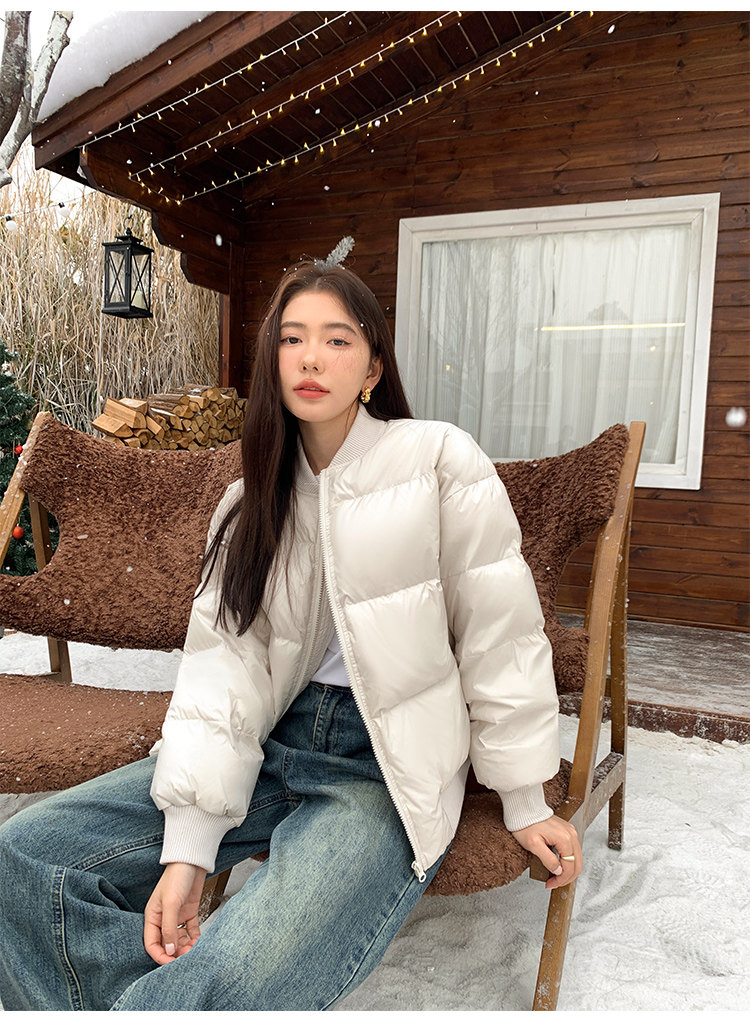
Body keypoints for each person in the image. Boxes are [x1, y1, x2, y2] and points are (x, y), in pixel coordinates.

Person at [0, 256, 581, 1011]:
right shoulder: (249, 505)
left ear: (373, 367)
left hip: (381, 770)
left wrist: (524, 796)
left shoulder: (438, 461)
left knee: (237, 972)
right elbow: (223, 673)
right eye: (293, 338)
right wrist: (189, 846)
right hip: (268, 746)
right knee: (23, 861)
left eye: (338, 340)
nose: (311, 358)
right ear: (272, 360)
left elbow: (500, 635)